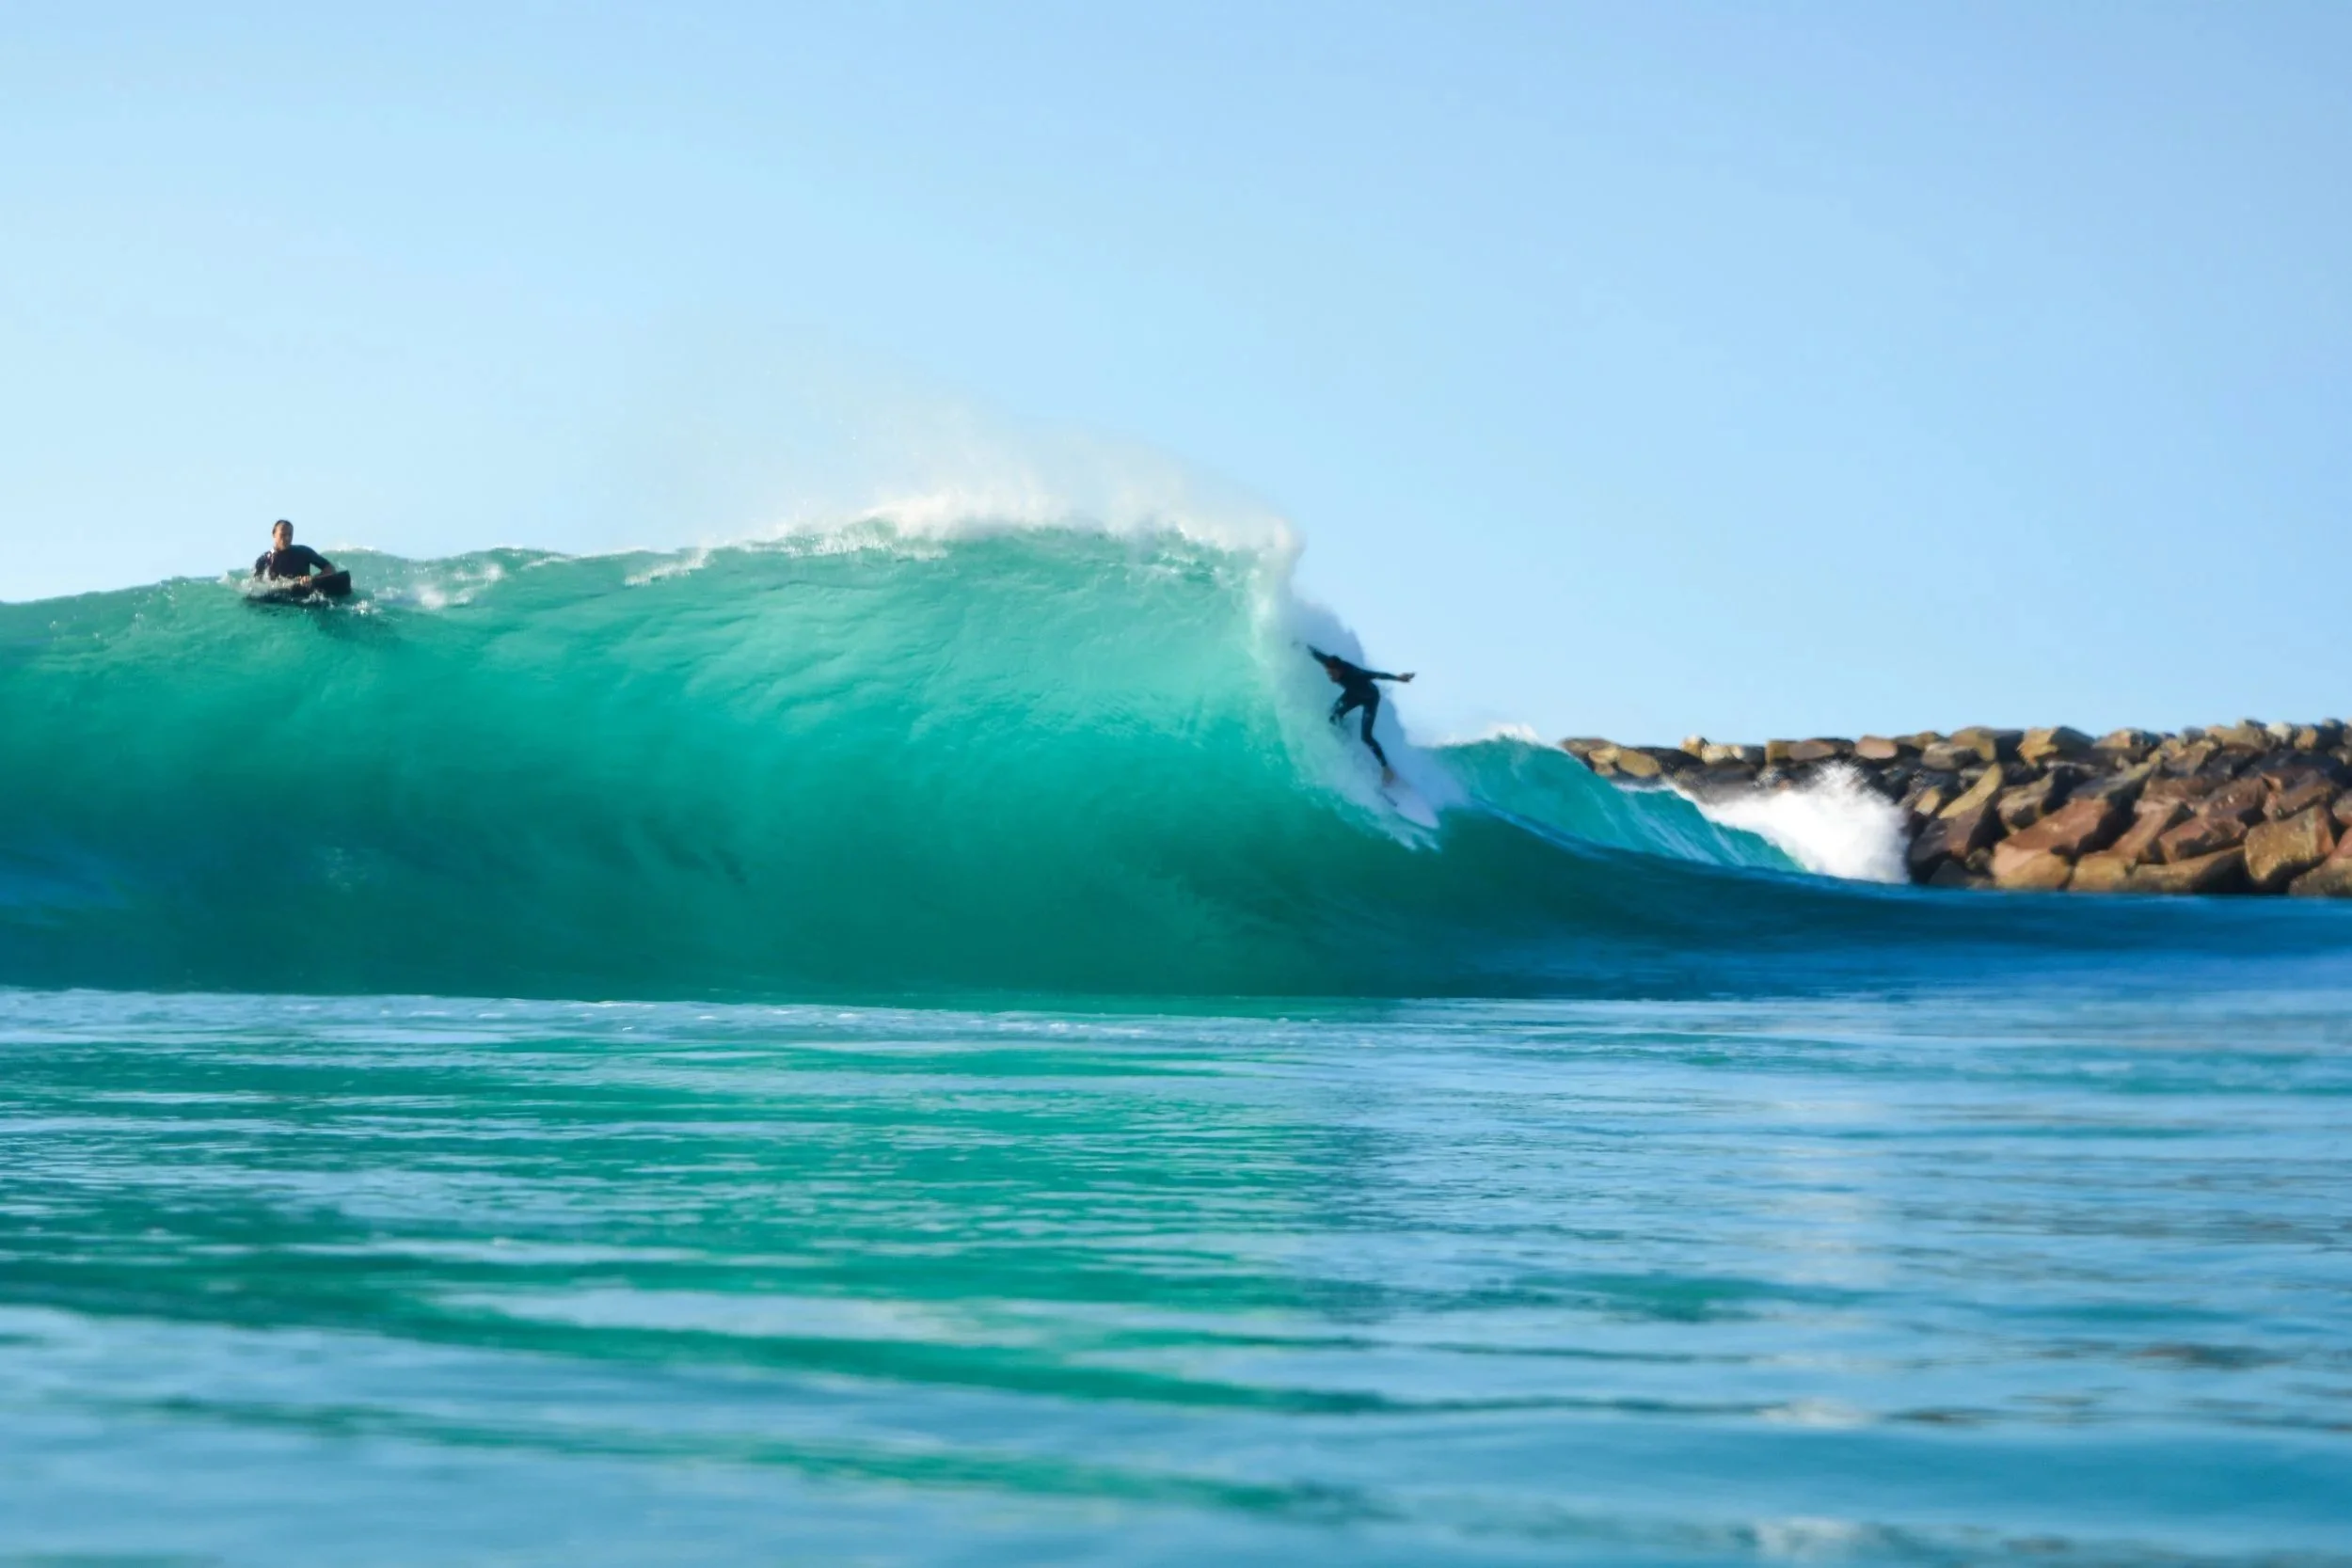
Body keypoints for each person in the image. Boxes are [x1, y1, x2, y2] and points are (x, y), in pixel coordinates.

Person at [1309, 647, 1414, 783]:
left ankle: (1387, 769)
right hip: (1352, 695)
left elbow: (1376, 674)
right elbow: (1316, 653)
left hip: (1370, 698)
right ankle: (1346, 733)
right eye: (1328, 673)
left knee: (1366, 737)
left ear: (1340, 670)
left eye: (1332, 674)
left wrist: (1398, 678)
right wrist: (1299, 644)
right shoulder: (1329, 662)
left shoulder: (1355, 673)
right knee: (1333, 718)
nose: (1330, 677)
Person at [253, 520, 335, 586]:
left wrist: (312, 579)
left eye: (290, 534)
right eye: (283, 534)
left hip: (305, 598)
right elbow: (256, 586)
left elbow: (330, 568)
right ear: (273, 534)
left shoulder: (303, 552)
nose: (287, 538)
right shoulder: (263, 560)